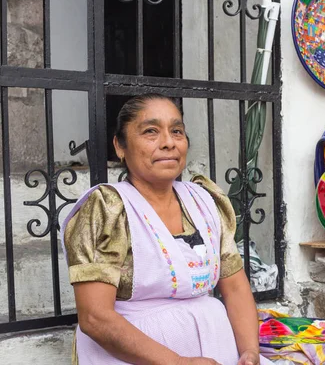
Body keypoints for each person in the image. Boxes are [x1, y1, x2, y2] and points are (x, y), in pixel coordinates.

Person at [60, 94, 272, 365]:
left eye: (177, 131)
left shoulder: (204, 201)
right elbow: (95, 317)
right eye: (151, 131)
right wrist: (178, 362)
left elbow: (235, 287)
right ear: (120, 146)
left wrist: (249, 352)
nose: (169, 142)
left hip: (217, 352)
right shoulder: (109, 209)